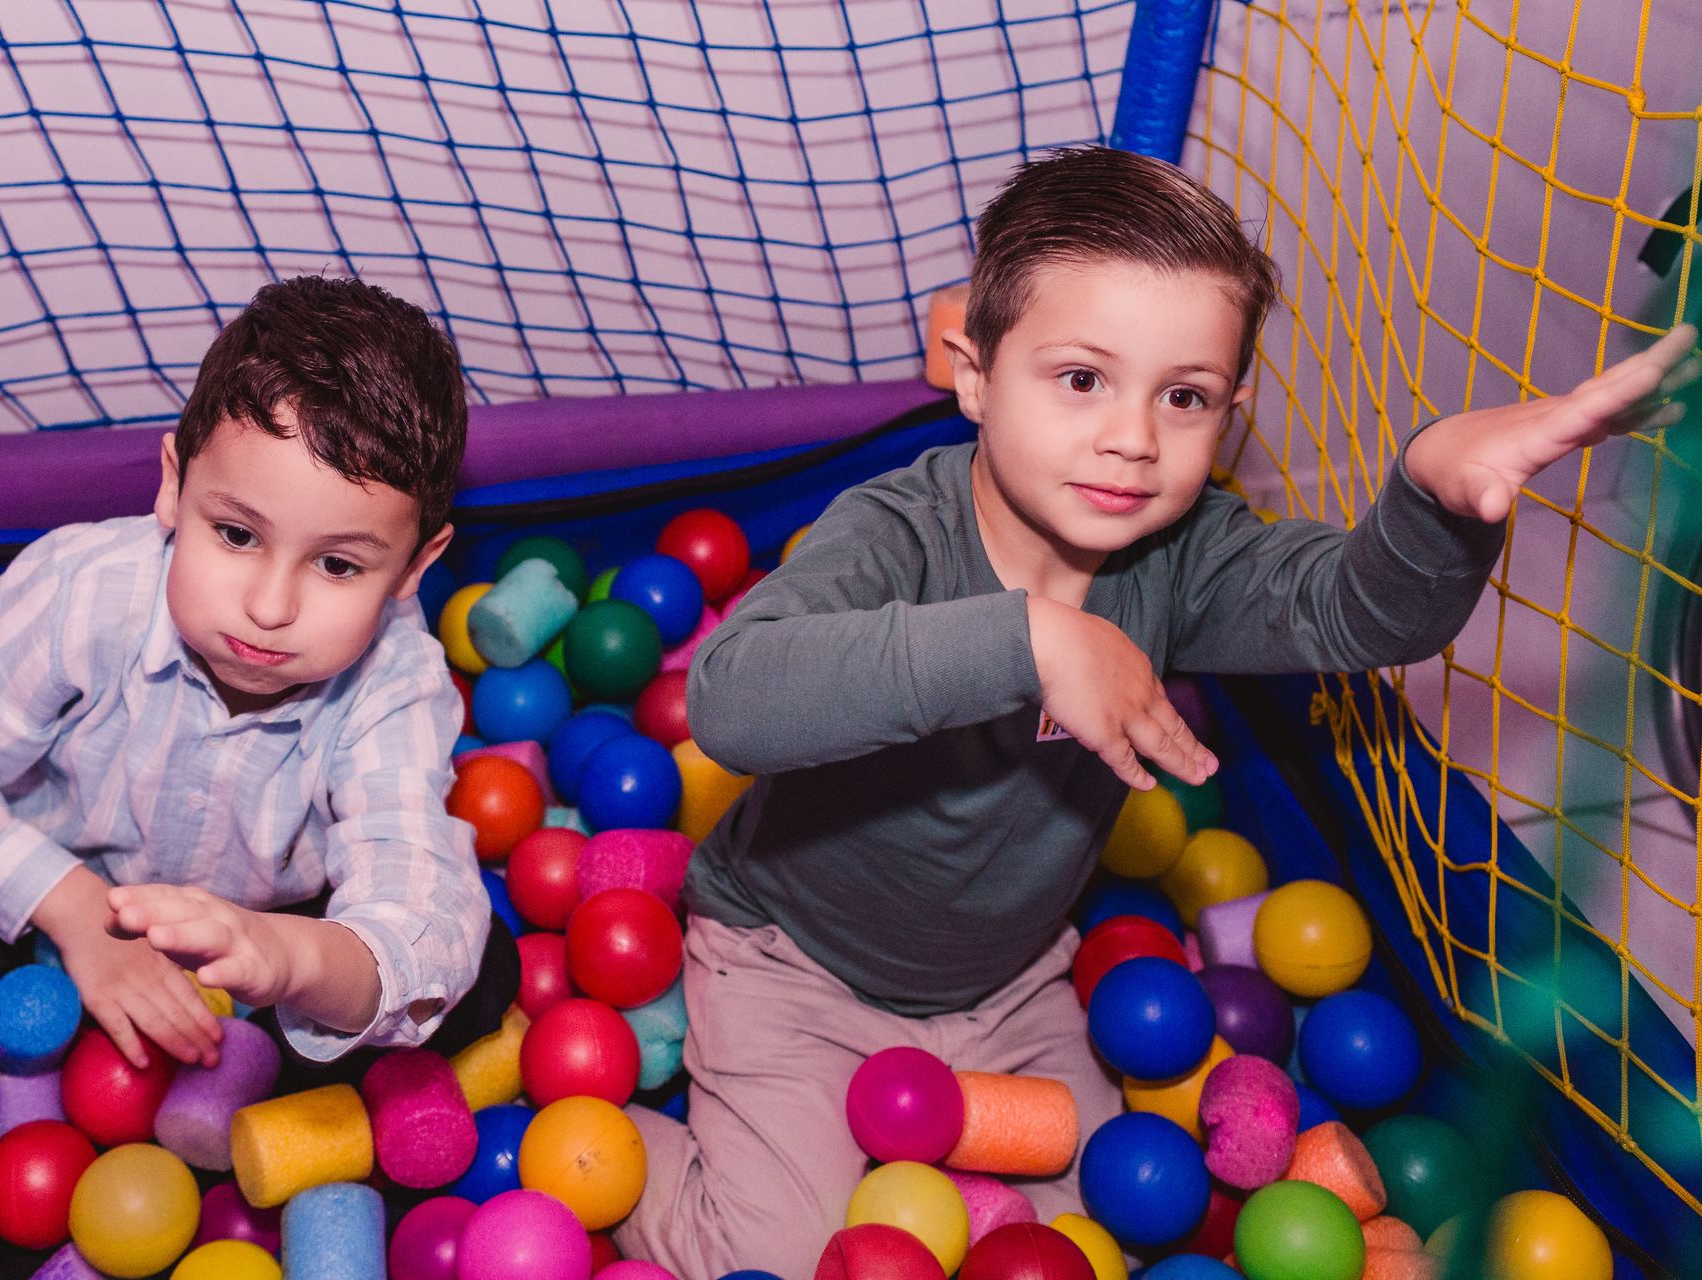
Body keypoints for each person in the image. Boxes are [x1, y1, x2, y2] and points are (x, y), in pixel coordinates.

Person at [613, 145, 1700, 1279]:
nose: (1133, 436)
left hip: (1011, 984)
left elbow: (1351, 617)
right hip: (795, 962)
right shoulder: (895, 532)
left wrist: (1432, 494)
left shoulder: (1177, 559)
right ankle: (649, 1147)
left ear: (1228, 413)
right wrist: (1028, 639)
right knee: (786, 1257)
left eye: (1182, 396)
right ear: (975, 371)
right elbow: (736, 698)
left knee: (1109, 1222)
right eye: (1082, 378)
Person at [0, 275, 518, 1275]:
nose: (269, 604)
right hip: (41, 886)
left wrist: (285, 954)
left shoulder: (397, 680)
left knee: (480, 971)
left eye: (339, 565)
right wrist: (76, 913)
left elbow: (419, 908)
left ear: (416, 565)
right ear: (174, 484)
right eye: (237, 533)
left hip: (248, 966)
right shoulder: (87, 589)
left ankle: (240, 1158)